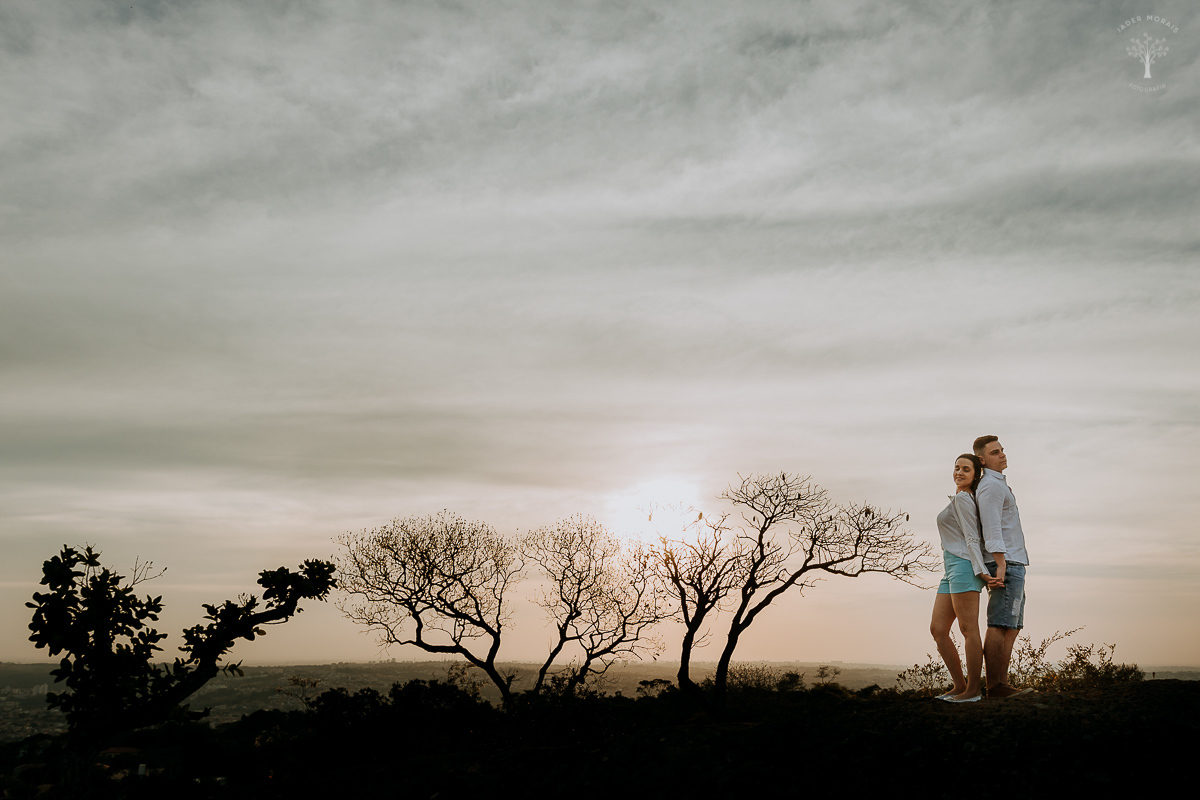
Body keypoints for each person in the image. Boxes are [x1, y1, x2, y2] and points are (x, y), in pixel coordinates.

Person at [929, 453, 993, 702]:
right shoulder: (957, 499)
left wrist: (981, 571)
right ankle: (959, 686)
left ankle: (973, 691)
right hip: (951, 567)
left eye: (966, 469)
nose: (959, 472)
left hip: (965, 566)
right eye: (957, 467)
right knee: (938, 629)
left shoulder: (965, 500)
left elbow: (972, 538)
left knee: (968, 629)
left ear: (975, 475)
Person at [973, 435, 1032, 698]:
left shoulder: (998, 484)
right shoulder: (990, 486)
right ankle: (995, 686)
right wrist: (1000, 564)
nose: (1002, 455)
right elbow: (991, 528)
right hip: (1004, 562)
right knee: (998, 623)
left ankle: (1002, 684)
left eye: (1002, 450)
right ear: (983, 460)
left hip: (1014, 560)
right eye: (995, 452)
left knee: (1012, 625)